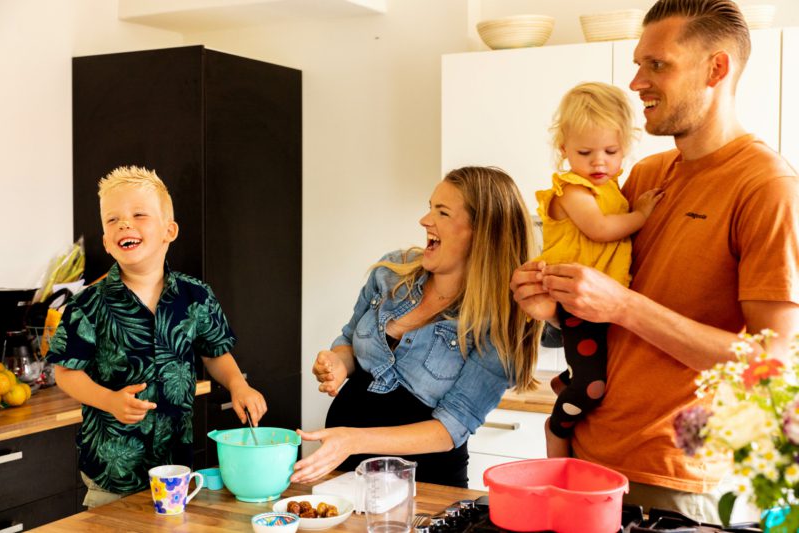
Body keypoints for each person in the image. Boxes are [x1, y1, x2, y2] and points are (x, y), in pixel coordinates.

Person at [512, 0, 799, 523]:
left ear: (716, 69)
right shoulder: (645, 175)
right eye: (639, 64)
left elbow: (771, 364)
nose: (636, 82)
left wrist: (624, 306)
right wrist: (550, 307)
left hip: (676, 482)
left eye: (657, 65)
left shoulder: (766, 186)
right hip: (589, 458)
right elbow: (609, 316)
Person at [290, 166, 542, 488]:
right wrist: (339, 363)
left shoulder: (500, 320)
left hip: (425, 488)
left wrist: (353, 440)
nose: (425, 220)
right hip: (344, 473)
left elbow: (451, 428)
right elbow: (350, 338)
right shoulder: (391, 273)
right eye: (430, 207)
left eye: (442, 212)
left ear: (482, 232)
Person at [46, 166, 267, 507]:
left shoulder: (196, 295)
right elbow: (65, 372)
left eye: (139, 215)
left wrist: (238, 385)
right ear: (106, 242)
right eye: (113, 220)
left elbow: (215, 353)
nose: (124, 224)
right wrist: (109, 401)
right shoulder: (87, 305)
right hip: (111, 472)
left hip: (176, 465)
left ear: (169, 230)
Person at [530, 82, 663, 458]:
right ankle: (557, 426)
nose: (599, 162)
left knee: (606, 372)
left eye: (611, 151)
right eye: (585, 153)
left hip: (600, 301)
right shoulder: (573, 190)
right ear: (564, 150)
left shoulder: (610, 191)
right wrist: (642, 214)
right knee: (594, 387)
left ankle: (566, 381)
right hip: (577, 300)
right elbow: (599, 229)